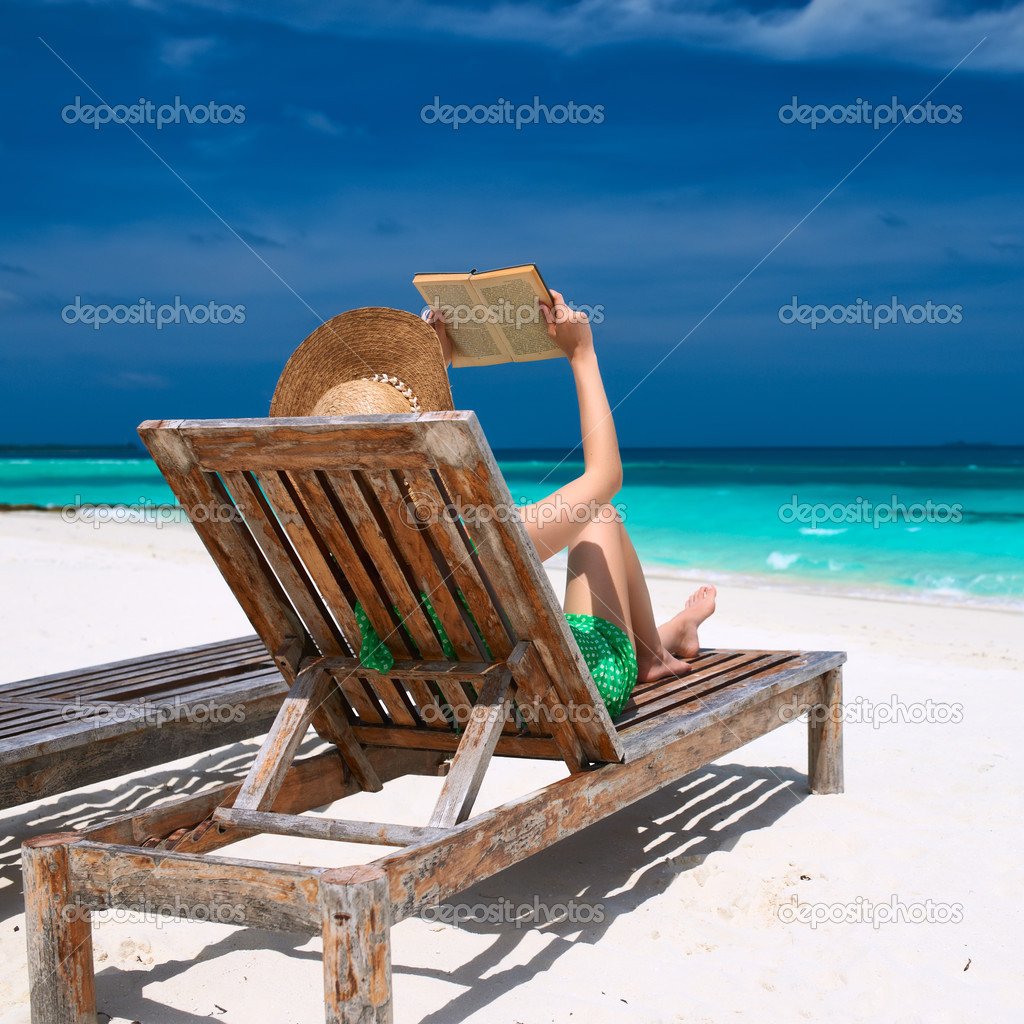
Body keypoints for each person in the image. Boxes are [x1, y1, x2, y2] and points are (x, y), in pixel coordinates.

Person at [269, 298, 716, 719]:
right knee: (600, 515)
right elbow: (605, 479)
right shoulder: (475, 543)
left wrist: (433, 368)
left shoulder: (335, 545)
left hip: (442, 702)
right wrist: (581, 354)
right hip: (550, 701)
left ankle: (667, 639)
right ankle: (653, 653)